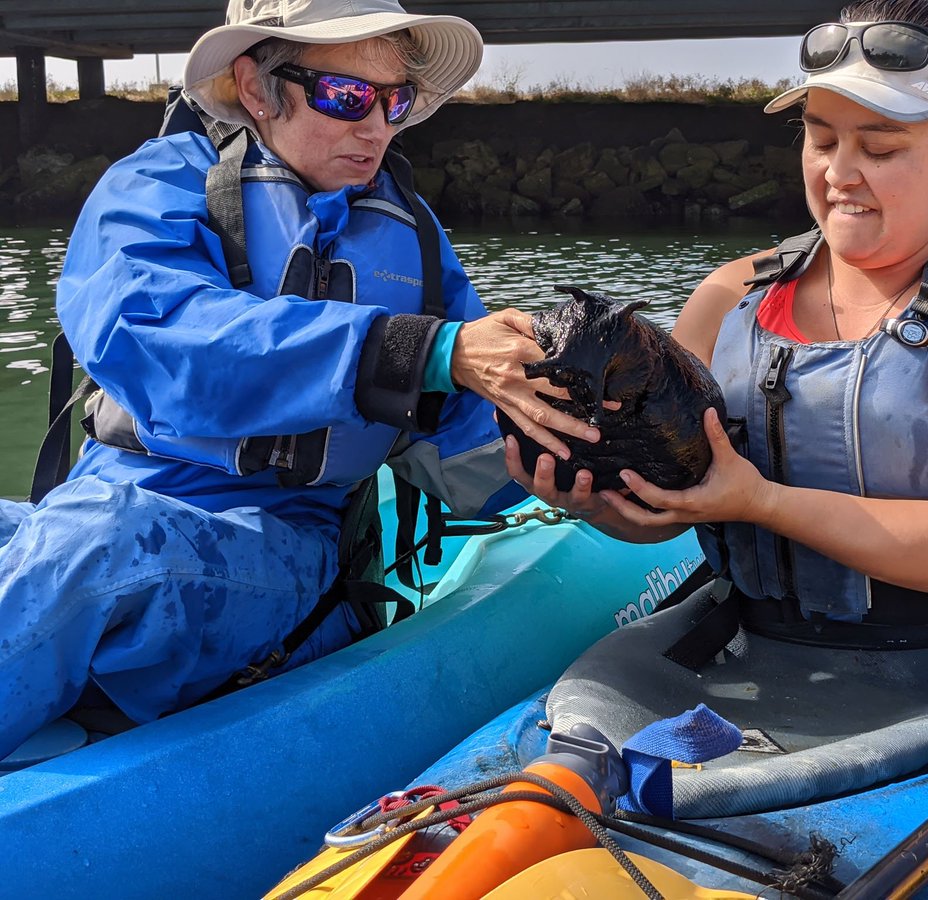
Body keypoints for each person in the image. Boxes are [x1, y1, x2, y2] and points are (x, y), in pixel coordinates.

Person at [0, 0, 601, 759]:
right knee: (89, 538)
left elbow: (466, 432)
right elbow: (151, 336)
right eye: (348, 97)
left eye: (397, 101)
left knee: (94, 554)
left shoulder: (412, 234)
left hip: (283, 545)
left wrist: (573, 461)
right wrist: (410, 350)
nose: (378, 126)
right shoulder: (154, 187)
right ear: (256, 87)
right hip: (102, 503)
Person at [508, 0, 928, 637]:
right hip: (749, 647)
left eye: (880, 147)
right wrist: (596, 497)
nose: (840, 173)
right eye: (821, 139)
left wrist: (764, 503)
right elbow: (677, 510)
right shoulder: (732, 294)